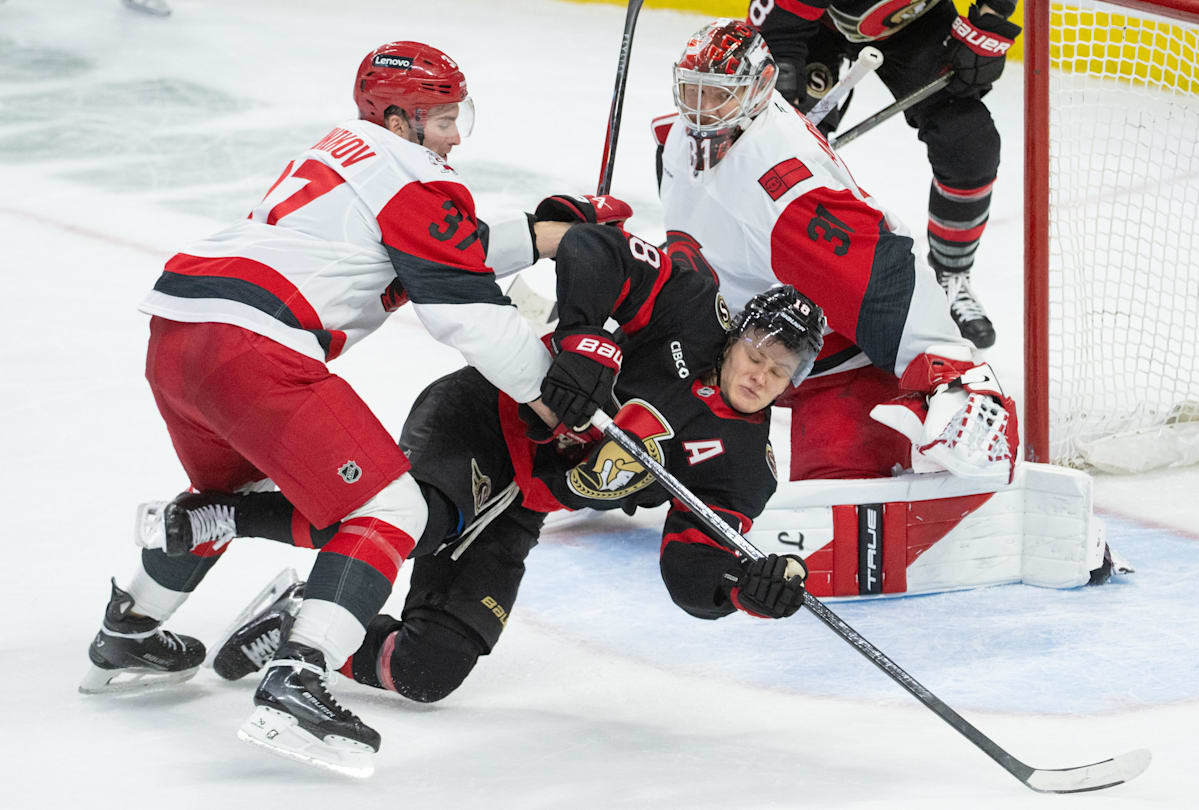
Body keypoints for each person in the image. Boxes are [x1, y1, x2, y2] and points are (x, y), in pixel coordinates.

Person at [78, 41, 624, 774]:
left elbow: (444, 244)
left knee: (232, 495)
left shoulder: (349, 153)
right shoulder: (414, 176)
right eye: (442, 121)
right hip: (254, 348)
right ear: (399, 120)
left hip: (179, 335)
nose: (454, 138)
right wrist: (557, 400)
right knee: (393, 510)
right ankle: (297, 680)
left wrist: (544, 234)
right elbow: (463, 310)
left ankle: (129, 632)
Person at [128, 224, 825, 774]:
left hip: (524, 504)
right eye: (757, 352)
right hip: (483, 418)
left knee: (426, 673)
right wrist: (586, 339)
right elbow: (592, 246)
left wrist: (740, 588)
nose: (761, 374)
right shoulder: (690, 309)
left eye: (781, 369)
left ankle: (292, 619)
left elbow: (689, 569)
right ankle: (226, 516)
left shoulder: (745, 468)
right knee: (422, 522)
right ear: (737, 332)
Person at [654, 18, 1016, 484]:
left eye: (718, 94)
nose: (701, 110)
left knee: (839, 501)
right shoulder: (679, 136)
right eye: (693, 91)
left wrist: (953, 377)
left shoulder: (787, 192)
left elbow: (885, 276)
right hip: (724, 345)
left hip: (835, 366)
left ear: (760, 88)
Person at [748, 0, 1022, 349]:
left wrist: (989, 23)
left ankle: (952, 278)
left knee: (967, 140)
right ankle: (760, 267)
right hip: (813, 26)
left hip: (913, 22)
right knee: (777, 139)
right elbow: (779, 28)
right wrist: (783, 104)